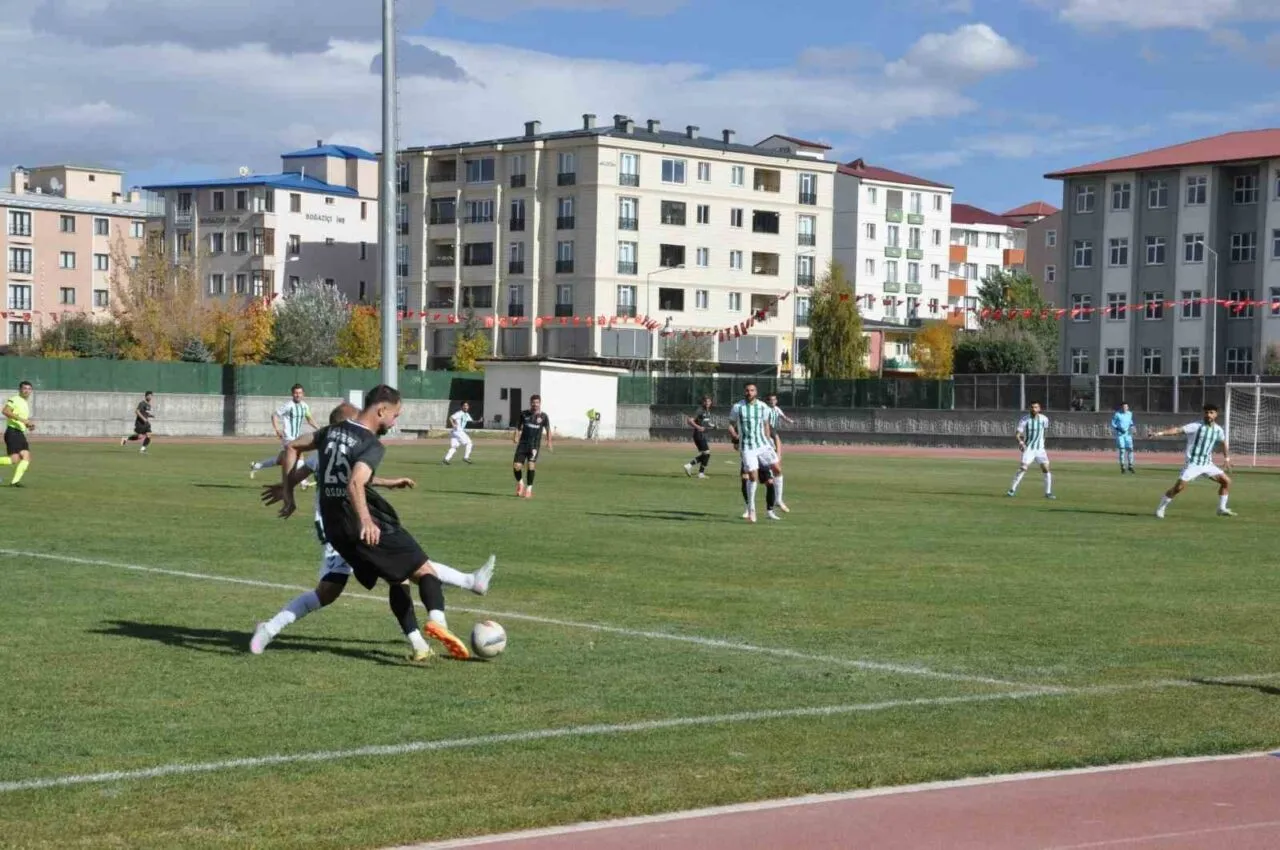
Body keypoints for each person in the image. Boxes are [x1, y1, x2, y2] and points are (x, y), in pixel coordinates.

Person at [252, 402, 495, 658]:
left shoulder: (329, 449)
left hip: (339, 529)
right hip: (343, 529)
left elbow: (343, 475)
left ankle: (422, 643)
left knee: (396, 574)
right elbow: (347, 478)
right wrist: (286, 488)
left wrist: (286, 488)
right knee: (382, 576)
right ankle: (270, 628)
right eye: (355, 417)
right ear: (343, 424)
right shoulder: (336, 447)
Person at [1148, 404, 1235, 518]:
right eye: (1206, 412)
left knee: (1226, 481)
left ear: (1216, 414)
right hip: (1193, 463)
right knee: (1178, 488)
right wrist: (1159, 433)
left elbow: (1223, 443)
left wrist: (1227, 458)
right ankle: (1161, 508)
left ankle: (1221, 508)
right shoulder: (1196, 426)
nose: (1208, 415)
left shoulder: (1218, 430)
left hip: (1207, 464)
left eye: (1211, 412)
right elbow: (1178, 430)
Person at [728, 383, 778, 523]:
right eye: (747, 390)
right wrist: (735, 437)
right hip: (747, 447)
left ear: (756, 392)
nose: (749, 392)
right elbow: (731, 425)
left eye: (752, 390)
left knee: (776, 470)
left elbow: (766, 425)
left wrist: (768, 441)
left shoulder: (763, 407)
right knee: (751, 476)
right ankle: (751, 508)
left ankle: (776, 503)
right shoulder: (738, 407)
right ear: (744, 392)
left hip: (762, 446)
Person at [251, 383, 319, 485]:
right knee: (299, 454)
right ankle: (303, 481)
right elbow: (274, 415)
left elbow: (309, 419)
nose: (298, 395)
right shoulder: (288, 405)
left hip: (296, 436)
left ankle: (256, 465)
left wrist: (320, 429)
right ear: (292, 394)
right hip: (288, 437)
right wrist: (277, 430)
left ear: (303, 394)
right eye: (296, 393)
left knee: (281, 460)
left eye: (300, 393)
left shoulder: (304, 406)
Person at [1007, 401, 1055, 500]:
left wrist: (1043, 442)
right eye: (1032, 407)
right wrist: (1021, 443)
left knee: (1046, 469)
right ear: (1030, 408)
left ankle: (1048, 493)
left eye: (1036, 407)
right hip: (1028, 449)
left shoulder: (1044, 419)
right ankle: (1012, 489)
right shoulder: (1025, 419)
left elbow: (1045, 432)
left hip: (1040, 449)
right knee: (1023, 468)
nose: (1033, 409)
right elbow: (1017, 434)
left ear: (1039, 409)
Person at [511, 395, 552, 499]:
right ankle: (521, 483)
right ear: (530, 403)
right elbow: (518, 426)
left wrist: (549, 442)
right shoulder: (524, 414)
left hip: (534, 446)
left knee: (531, 465)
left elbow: (548, 429)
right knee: (516, 466)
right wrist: (516, 436)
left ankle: (529, 490)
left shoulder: (544, 416)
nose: (535, 404)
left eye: (537, 402)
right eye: (533, 402)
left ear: (540, 403)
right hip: (523, 444)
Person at [0, 381, 34, 486]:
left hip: (19, 433)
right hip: (13, 432)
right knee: (15, 459)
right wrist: (23, 420)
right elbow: (5, 411)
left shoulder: (25, 402)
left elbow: (21, 419)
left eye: (29, 389)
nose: (27, 391)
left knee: (24, 457)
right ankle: (15, 482)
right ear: (20, 389)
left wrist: (28, 425)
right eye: (24, 388)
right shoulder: (15, 399)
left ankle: (15, 482)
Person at [763, 392, 792, 513]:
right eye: (770, 400)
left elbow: (783, 416)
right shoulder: (764, 410)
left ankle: (778, 500)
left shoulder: (777, 409)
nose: (772, 402)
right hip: (767, 436)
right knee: (773, 466)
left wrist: (789, 421)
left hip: (773, 434)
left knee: (777, 465)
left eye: (774, 400)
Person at [683, 396, 715, 478]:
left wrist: (713, 425)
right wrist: (698, 427)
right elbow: (690, 421)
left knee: (706, 454)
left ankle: (692, 468)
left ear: (711, 402)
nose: (707, 403)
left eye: (709, 401)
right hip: (698, 434)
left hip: (702, 435)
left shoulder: (707, 411)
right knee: (706, 454)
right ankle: (698, 471)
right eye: (706, 401)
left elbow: (706, 422)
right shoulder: (700, 410)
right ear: (703, 402)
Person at [442, 401, 474, 465]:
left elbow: (471, 421)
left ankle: (446, 459)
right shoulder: (459, 413)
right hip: (459, 431)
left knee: (454, 447)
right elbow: (451, 418)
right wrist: (453, 424)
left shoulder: (467, 414)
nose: (466, 407)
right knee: (469, 443)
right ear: (462, 407)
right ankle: (466, 457)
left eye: (467, 406)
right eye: (464, 406)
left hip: (454, 433)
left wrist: (479, 421)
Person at [1111, 401, 1136, 473]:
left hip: (1128, 434)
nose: (1125, 408)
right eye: (1124, 407)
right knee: (1122, 450)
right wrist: (1119, 429)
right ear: (1121, 407)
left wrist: (1133, 428)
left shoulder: (1130, 413)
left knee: (1130, 449)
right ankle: (1123, 466)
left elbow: (1131, 422)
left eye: (1126, 407)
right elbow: (1113, 423)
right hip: (1120, 435)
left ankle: (1130, 466)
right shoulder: (1117, 414)